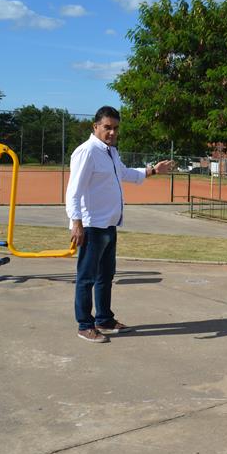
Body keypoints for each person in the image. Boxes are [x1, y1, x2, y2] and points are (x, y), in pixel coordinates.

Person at [66, 106, 174, 343]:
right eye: (107, 127)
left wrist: (153, 170)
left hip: (110, 224)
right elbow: (73, 191)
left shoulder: (110, 152)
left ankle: (104, 319)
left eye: (115, 128)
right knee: (86, 277)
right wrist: (76, 222)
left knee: (106, 275)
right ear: (95, 127)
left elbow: (124, 173)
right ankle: (84, 325)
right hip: (92, 225)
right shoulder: (87, 152)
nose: (112, 132)